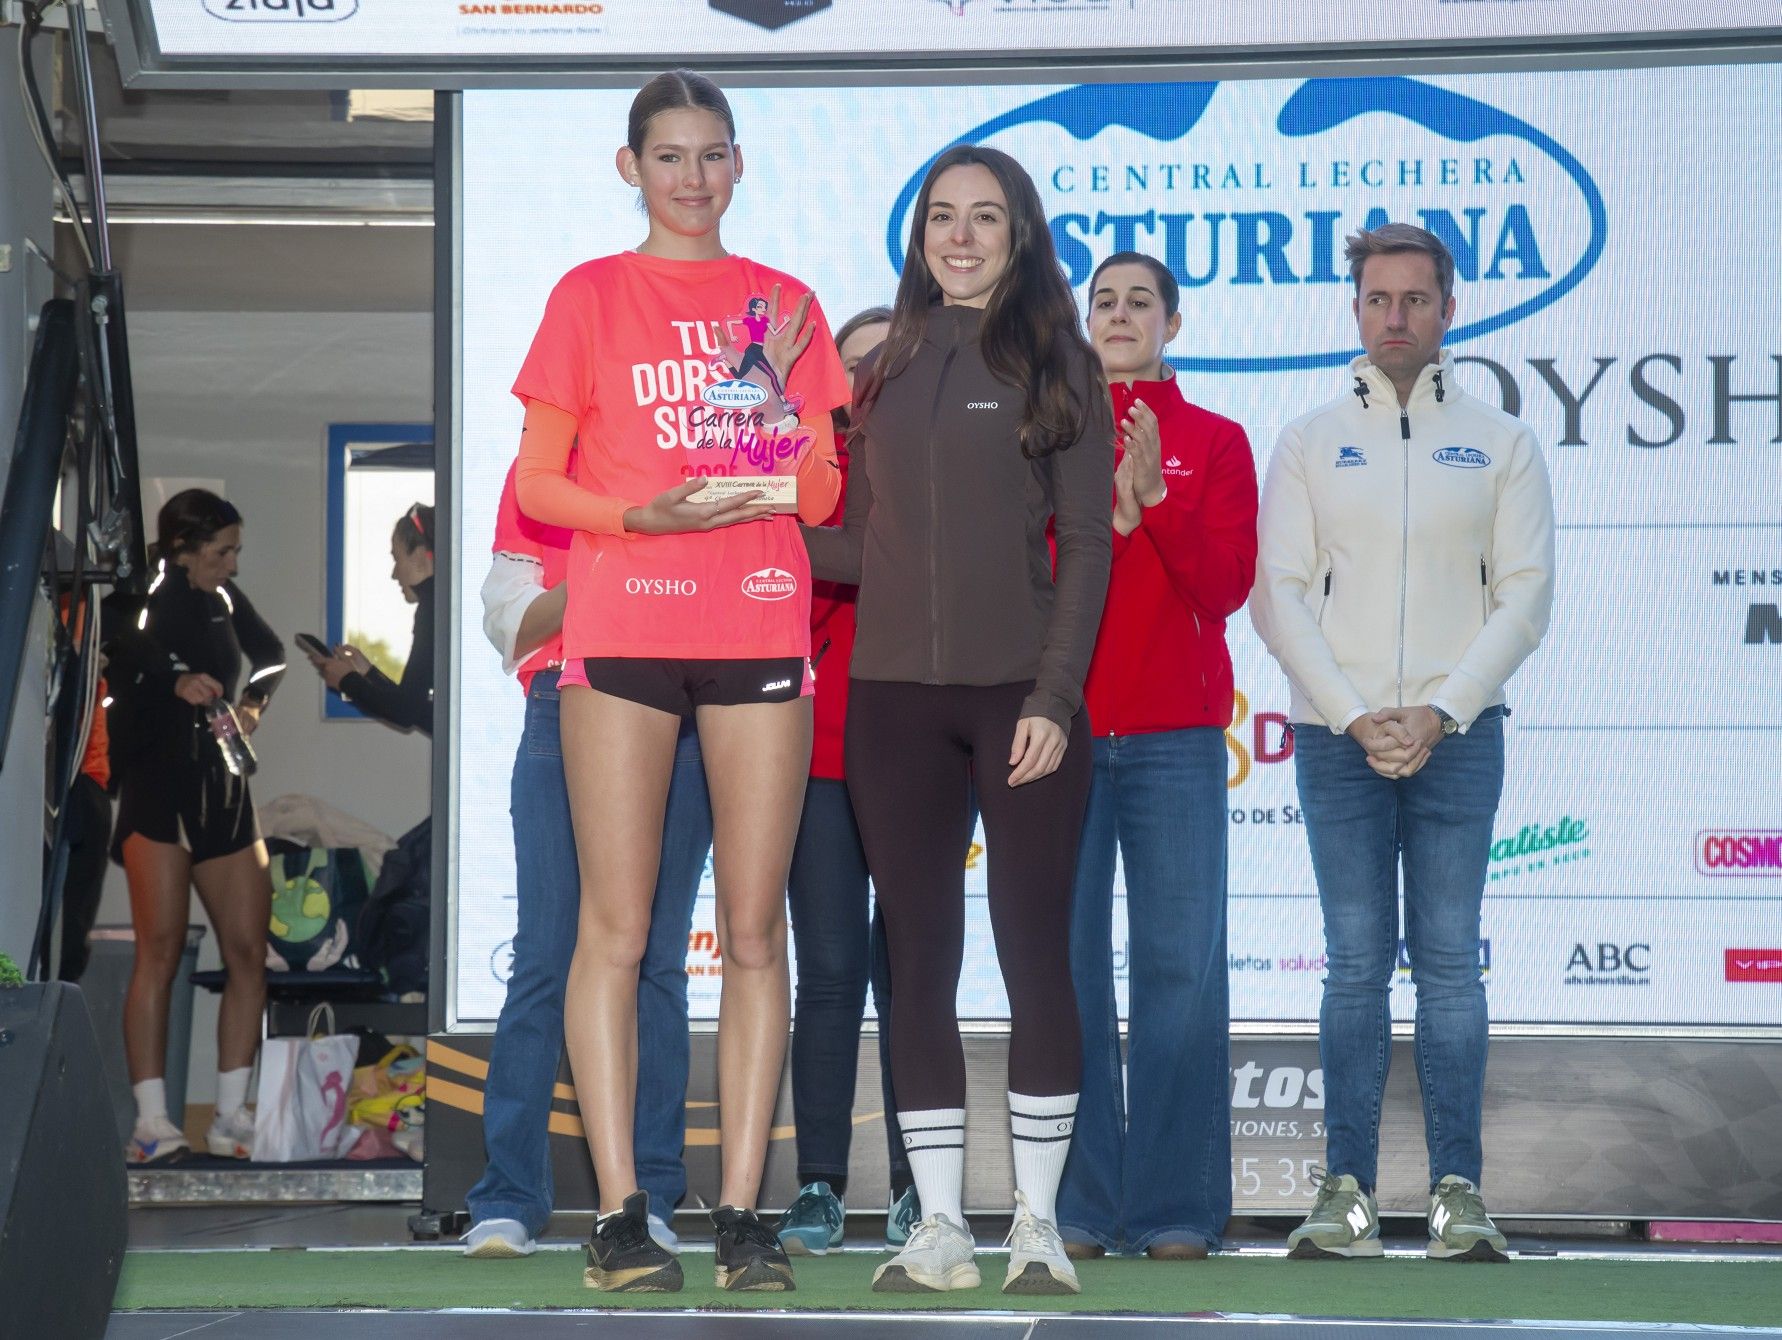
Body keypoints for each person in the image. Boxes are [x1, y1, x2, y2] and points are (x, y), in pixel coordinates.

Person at [511, 69, 848, 1293]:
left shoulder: (787, 303)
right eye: (669, 156)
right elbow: (539, 484)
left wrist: (778, 395)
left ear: (739, 164)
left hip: (756, 619)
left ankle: (744, 1212)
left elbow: (819, 495)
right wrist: (637, 516)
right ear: (631, 167)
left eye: (713, 154)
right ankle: (619, 1214)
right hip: (623, 623)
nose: (693, 177)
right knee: (615, 927)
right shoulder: (589, 295)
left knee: (754, 930)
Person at [805, 144, 1114, 1296]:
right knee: (916, 961)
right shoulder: (885, 367)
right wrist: (753, 524)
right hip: (891, 704)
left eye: (986, 216)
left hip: (1020, 702)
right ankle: (938, 1226)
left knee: (1035, 955)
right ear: (920, 233)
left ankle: (1038, 1223)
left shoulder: (1058, 360)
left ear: (1019, 233)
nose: (962, 236)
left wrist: (1054, 696)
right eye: (943, 215)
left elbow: (1090, 542)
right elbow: (865, 546)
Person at [1250, 223, 1555, 1264]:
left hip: (1459, 737)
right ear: (1355, 309)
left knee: (1452, 966)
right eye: (1378, 299)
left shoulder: (1503, 441)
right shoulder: (1310, 439)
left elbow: (1525, 599)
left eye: (1415, 299)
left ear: (1448, 309)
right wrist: (1352, 713)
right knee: (1353, 966)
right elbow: (1279, 595)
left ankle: (1457, 1194)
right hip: (1337, 740)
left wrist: (1442, 709)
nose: (1395, 317)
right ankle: (1347, 1195)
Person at [1056, 252, 1258, 1261]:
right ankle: (1084, 1205)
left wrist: (1154, 503)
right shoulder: (1045, 435)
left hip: (1176, 739)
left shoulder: (1215, 440)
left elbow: (1224, 585)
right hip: (1061, 735)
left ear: (1172, 323)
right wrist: (1107, 520)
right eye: (1105, 300)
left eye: (1141, 301)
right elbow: (1023, 581)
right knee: (1070, 970)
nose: (1121, 314)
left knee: (1181, 968)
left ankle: (1177, 1206)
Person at [462, 463, 711, 1260]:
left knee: (657, 961)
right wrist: (614, 571)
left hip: (690, 710)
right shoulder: (543, 476)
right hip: (565, 698)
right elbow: (509, 620)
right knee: (545, 954)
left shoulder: (695, 448)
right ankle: (508, 1196)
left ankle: (652, 1193)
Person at [773, 305, 918, 1258]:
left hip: (916, 749)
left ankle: (917, 1188)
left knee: (912, 977)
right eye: (850, 366)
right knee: (828, 974)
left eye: (882, 366)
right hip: (817, 752)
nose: (864, 384)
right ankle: (819, 1185)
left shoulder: (936, 466)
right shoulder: (804, 470)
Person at [104, 488, 285, 1164]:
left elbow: (271, 654)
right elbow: (118, 641)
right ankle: (153, 1124)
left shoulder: (224, 597)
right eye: (222, 551)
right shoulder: (148, 589)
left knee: (248, 952)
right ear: (184, 547)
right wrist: (173, 678)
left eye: (236, 551)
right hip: (157, 792)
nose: (232, 564)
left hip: (223, 789)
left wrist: (253, 706)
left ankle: (231, 1117)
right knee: (161, 951)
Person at [308, 503, 436, 734]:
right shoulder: (443, 607)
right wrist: (367, 673)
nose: (394, 574)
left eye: (397, 559)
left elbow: (405, 712)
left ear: (418, 556)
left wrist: (346, 681)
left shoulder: (431, 611)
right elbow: (418, 708)